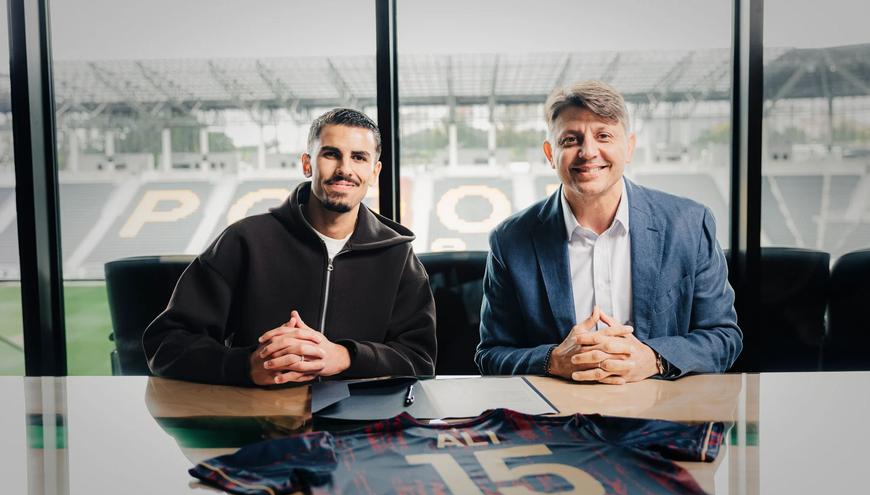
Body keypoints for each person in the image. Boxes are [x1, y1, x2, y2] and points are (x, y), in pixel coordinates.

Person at [143, 108, 436, 386]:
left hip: (361, 420)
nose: (344, 169)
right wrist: (245, 366)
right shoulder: (245, 241)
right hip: (262, 416)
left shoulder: (398, 257)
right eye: (331, 154)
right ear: (307, 164)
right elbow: (166, 344)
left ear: (374, 172)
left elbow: (420, 361)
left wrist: (345, 357)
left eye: (359, 157)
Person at [476, 81, 742, 383]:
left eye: (603, 136)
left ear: (629, 147)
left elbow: (723, 338)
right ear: (550, 154)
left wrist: (654, 359)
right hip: (558, 411)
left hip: (663, 409)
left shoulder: (689, 224)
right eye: (570, 140)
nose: (588, 152)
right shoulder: (510, 240)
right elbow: (491, 355)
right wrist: (553, 360)